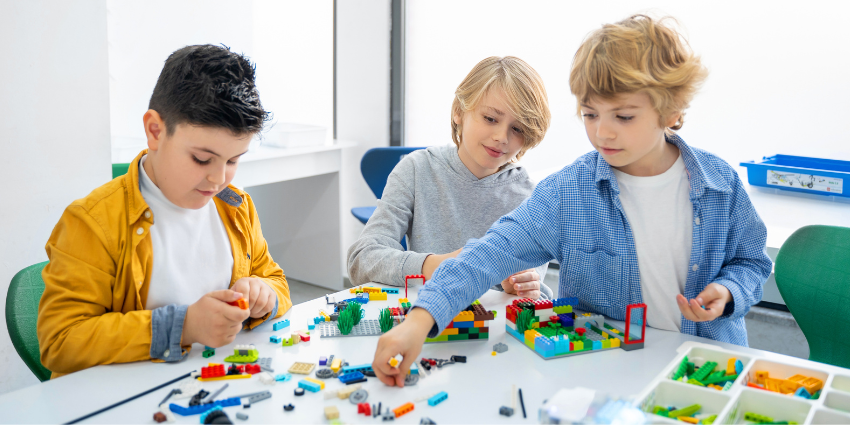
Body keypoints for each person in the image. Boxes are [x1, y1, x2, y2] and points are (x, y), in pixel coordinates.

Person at [371, 15, 772, 387]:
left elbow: (752, 261)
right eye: (590, 114)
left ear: (671, 110)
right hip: (606, 371)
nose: (603, 133)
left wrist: (730, 290)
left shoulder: (721, 186)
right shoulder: (567, 193)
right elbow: (488, 255)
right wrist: (419, 321)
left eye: (623, 117)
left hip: (707, 366)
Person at [38, 45, 292, 377]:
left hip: (214, 385)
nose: (218, 179)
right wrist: (183, 326)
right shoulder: (92, 222)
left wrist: (265, 295)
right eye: (202, 159)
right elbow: (61, 342)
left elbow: (275, 280)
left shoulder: (236, 208)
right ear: (155, 131)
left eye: (233, 160)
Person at [347, 56, 553, 300]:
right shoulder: (416, 169)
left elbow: (535, 291)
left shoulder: (532, 198)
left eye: (517, 128)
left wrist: (522, 286)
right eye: (490, 118)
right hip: (423, 322)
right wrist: (435, 265)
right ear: (458, 112)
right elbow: (362, 259)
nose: (501, 136)